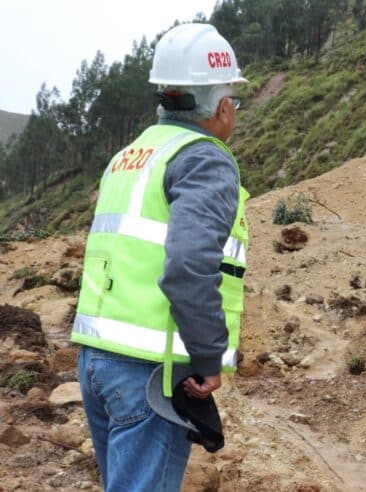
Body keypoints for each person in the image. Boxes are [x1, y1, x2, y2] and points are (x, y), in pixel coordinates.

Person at [71, 23, 250, 491]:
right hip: (151, 369)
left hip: (97, 359)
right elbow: (188, 266)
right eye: (234, 99)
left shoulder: (130, 156)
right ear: (222, 105)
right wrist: (208, 355)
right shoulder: (203, 158)